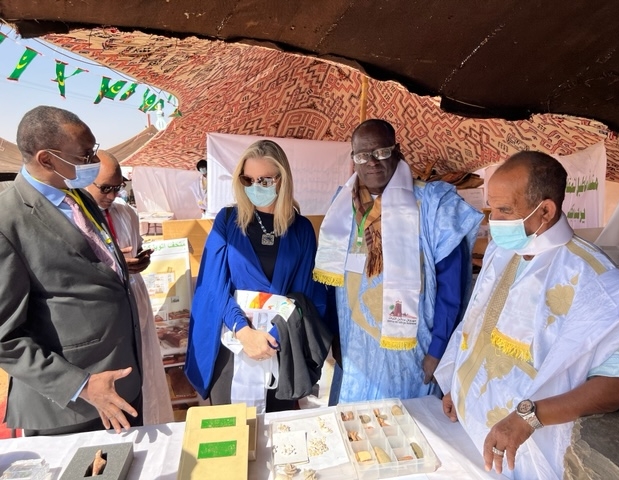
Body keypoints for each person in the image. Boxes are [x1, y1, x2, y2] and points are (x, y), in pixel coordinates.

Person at [434, 151, 619, 478]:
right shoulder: (504, 251)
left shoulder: (599, 286)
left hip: (523, 456)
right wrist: (456, 381)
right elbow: (477, 324)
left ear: (545, 210)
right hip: (467, 431)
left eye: (505, 210)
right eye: (492, 209)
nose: (493, 221)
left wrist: (528, 417)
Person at [313, 119, 483, 402]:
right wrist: (335, 337)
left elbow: (451, 286)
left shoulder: (431, 204)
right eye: (363, 155)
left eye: (381, 152)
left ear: (397, 150)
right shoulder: (342, 206)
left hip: (410, 352)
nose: (373, 163)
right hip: (355, 347)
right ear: (353, 159)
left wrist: (438, 349)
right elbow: (333, 283)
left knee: (405, 434)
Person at [0, 106, 143, 435]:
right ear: (46, 159)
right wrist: (82, 385)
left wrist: (117, 266)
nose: (94, 161)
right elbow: (4, 338)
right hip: (74, 405)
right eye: (84, 154)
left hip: (122, 382)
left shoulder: (79, 197)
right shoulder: (8, 221)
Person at [184, 139, 330, 413]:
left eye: (264, 181)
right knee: (230, 434)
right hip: (233, 342)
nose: (254, 187)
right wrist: (244, 331)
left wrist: (272, 336)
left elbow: (305, 294)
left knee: (279, 436)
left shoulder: (301, 229)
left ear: (282, 179)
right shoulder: (228, 221)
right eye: (247, 179)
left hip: (281, 344)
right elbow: (213, 286)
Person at [86, 151, 174, 426]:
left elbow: (131, 253)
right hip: (102, 311)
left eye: (117, 187)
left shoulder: (126, 213)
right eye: (105, 188)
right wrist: (114, 265)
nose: (112, 195)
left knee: (144, 368)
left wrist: (137, 263)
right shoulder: (72, 217)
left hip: (134, 298)